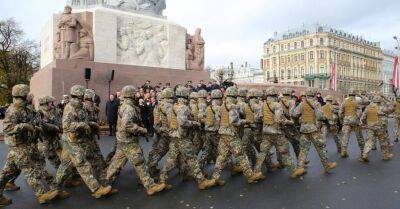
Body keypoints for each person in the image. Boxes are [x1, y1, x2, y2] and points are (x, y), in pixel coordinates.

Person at [0, 84, 62, 206]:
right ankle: (41, 194)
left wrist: (37, 128)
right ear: (22, 95)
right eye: (27, 94)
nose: (30, 96)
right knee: (30, 169)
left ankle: (55, 188)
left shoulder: (27, 109)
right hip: (18, 146)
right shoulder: (13, 110)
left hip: (29, 145)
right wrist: (24, 126)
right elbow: (7, 128)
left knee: (8, 172)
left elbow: (36, 123)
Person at [55, 85, 114, 199]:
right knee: (82, 164)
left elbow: (84, 120)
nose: (84, 98)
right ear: (78, 95)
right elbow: (66, 126)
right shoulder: (70, 107)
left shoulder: (80, 106)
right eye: (82, 96)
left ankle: (55, 188)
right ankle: (96, 189)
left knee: (65, 166)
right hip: (72, 140)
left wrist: (91, 124)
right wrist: (82, 125)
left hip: (78, 139)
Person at [105, 85, 166, 196]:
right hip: (128, 141)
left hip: (124, 140)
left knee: (116, 163)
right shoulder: (128, 107)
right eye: (135, 93)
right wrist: (141, 129)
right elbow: (127, 125)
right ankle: (150, 186)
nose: (137, 95)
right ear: (131, 95)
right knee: (139, 162)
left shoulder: (126, 105)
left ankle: (105, 184)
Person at [158, 87, 214, 190]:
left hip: (174, 136)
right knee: (191, 158)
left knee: (171, 159)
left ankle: (162, 180)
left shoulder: (173, 106)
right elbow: (183, 122)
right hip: (182, 137)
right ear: (185, 96)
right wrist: (194, 123)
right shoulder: (183, 107)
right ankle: (202, 181)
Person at [209, 86, 264, 187]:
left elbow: (217, 119)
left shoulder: (221, 106)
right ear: (235, 95)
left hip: (223, 134)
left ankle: (214, 178)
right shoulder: (232, 106)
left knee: (221, 157)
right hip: (231, 135)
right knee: (241, 155)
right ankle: (250, 176)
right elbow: (234, 121)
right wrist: (245, 121)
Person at [255, 87, 304, 178]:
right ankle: (293, 171)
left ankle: (256, 172)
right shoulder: (277, 105)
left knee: (262, 153)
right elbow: (279, 119)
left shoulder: (262, 104)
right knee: (285, 151)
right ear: (275, 95)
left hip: (266, 131)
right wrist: (289, 122)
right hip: (276, 132)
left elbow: (258, 118)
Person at [291, 88, 337, 173]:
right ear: (314, 95)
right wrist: (324, 117)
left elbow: (294, 114)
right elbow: (319, 116)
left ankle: (299, 168)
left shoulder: (301, 104)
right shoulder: (316, 103)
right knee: (320, 146)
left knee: (303, 149)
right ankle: (326, 165)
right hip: (313, 129)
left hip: (304, 129)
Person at [360, 95, 393, 162]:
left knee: (369, 141)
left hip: (370, 127)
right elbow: (392, 108)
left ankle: (364, 155)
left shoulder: (368, 107)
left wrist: (364, 124)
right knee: (383, 141)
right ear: (380, 101)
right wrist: (385, 99)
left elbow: (363, 118)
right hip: (380, 127)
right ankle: (385, 156)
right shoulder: (382, 108)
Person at [339, 88, 365, 158]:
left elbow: (340, 112)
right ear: (354, 94)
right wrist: (357, 118)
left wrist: (342, 120)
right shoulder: (357, 101)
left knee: (345, 137)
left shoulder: (344, 102)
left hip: (346, 121)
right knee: (359, 137)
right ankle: (363, 152)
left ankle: (343, 151)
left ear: (348, 94)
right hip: (355, 121)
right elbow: (360, 112)